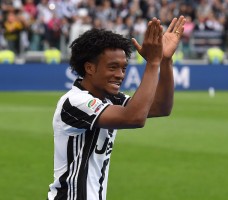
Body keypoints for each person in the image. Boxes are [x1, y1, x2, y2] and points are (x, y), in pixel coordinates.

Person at [47, 16, 186, 200]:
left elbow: (161, 107)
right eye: (113, 67)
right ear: (90, 68)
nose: (120, 75)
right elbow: (134, 118)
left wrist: (165, 60)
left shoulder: (111, 99)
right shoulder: (74, 101)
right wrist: (153, 63)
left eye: (123, 68)